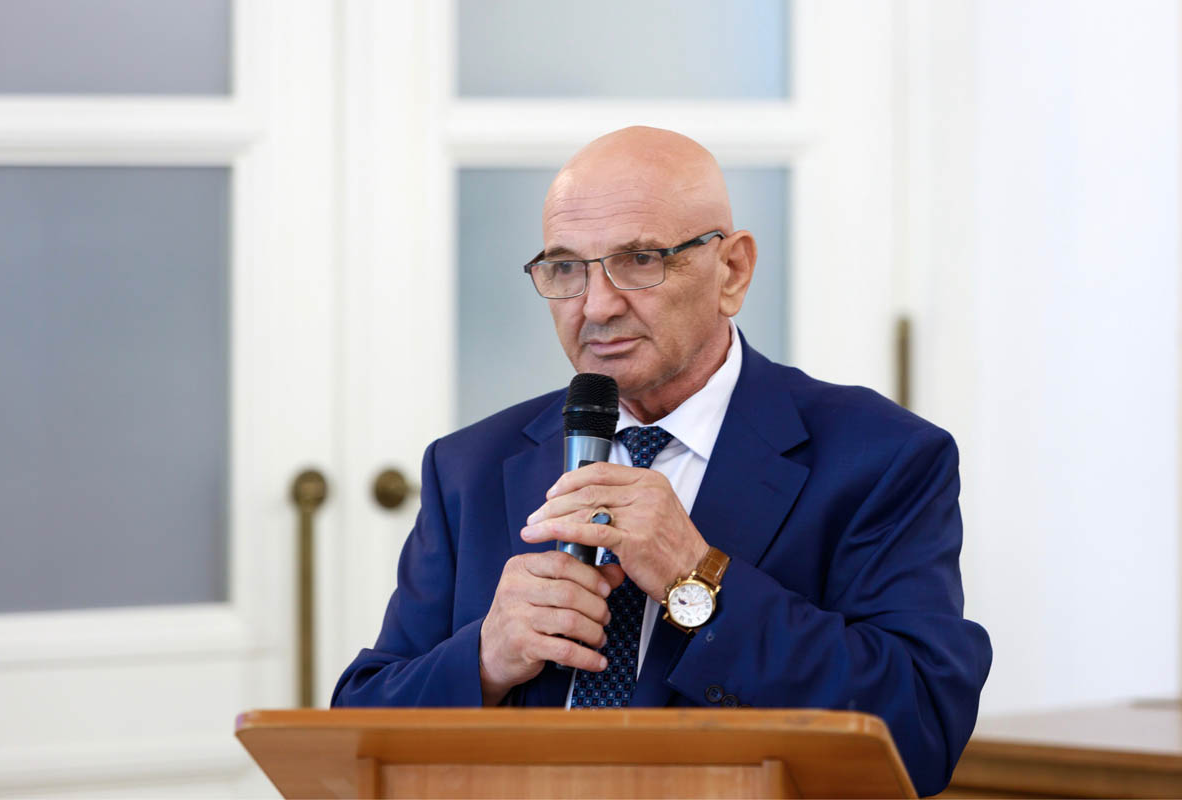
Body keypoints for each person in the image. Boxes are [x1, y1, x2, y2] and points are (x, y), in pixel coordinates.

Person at [332, 126, 992, 796]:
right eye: (566, 269)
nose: (596, 306)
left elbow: (918, 731)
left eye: (640, 260)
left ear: (731, 271)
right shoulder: (468, 466)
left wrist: (697, 576)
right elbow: (359, 725)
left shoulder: (882, 457)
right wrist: (484, 658)